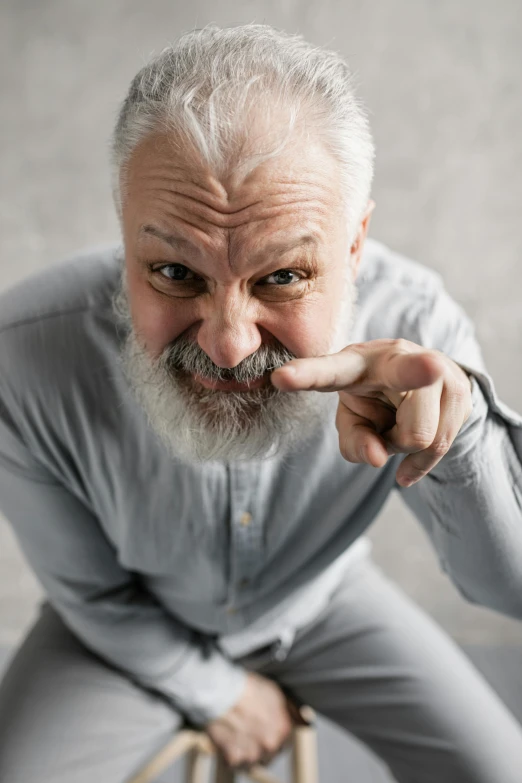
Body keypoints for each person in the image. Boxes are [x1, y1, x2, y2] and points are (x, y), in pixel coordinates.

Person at [0, 23, 521, 783]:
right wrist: (220, 692)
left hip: (321, 603)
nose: (228, 346)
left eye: (281, 276)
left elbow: (506, 587)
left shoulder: (415, 333)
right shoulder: (22, 356)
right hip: (123, 626)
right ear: (123, 234)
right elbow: (88, 589)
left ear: (355, 245)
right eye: (176, 272)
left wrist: (461, 434)